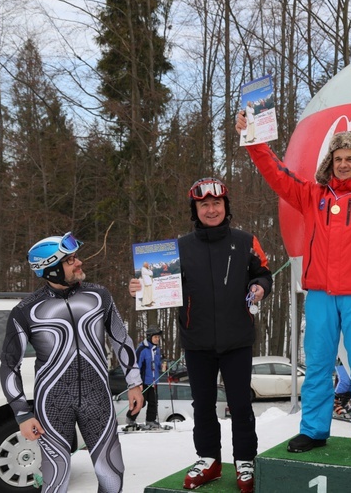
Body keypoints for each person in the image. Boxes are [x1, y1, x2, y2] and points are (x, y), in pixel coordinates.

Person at [235, 113, 351, 459]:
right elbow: (277, 176)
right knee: (319, 367)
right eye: (337, 159)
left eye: (349, 159)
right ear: (329, 161)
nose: (342, 164)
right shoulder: (311, 195)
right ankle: (313, 430)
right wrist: (255, 142)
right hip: (320, 296)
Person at [129, 178, 272, 492]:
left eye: (217, 203)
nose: (211, 209)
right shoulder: (177, 248)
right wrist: (142, 286)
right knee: (202, 405)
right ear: (195, 209)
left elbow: (263, 271)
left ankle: (246, 460)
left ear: (226, 206)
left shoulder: (245, 240)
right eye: (204, 204)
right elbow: (157, 285)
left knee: (241, 404)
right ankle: (209, 459)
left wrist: (261, 285)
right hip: (197, 342)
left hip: (237, 340)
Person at [0, 232, 144, 493]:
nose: (79, 263)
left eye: (75, 257)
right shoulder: (26, 310)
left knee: (112, 476)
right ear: (52, 270)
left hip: (97, 398)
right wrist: (22, 413)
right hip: (53, 404)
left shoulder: (99, 295)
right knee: (56, 480)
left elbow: (121, 339)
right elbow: (10, 365)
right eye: (70, 260)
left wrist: (134, 383)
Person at [126, 327, 163, 430]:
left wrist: (163, 367)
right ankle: (130, 418)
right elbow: (136, 365)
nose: (157, 339)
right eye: (155, 337)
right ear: (149, 337)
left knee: (153, 402)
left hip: (153, 381)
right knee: (140, 402)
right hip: (143, 381)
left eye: (158, 337)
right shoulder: (142, 350)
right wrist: (137, 382)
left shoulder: (157, 350)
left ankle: (150, 420)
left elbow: (158, 364)